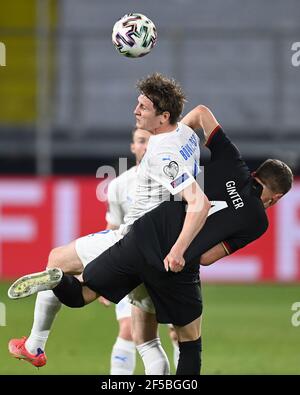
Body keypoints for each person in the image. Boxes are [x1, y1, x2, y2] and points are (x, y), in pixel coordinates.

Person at [8, 104, 293, 375]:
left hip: (144, 236)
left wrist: (182, 131)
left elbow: (202, 113)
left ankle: (47, 310)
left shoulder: (219, 161)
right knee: (178, 341)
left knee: (79, 287)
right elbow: (206, 256)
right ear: (277, 197)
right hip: (176, 265)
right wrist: (185, 249)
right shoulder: (256, 220)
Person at [8, 73, 211, 374]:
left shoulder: (162, 151)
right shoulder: (185, 135)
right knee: (145, 339)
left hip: (133, 240)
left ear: (163, 116)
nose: (136, 111)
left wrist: (180, 249)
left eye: (143, 107)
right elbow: (201, 113)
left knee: (56, 261)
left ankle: (36, 344)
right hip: (159, 256)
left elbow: (199, 202)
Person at [101, 127, 150, 374]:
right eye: (141, 141)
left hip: (168, 266)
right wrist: (105, 275)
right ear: (133, 146)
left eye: (150, 141)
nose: (145, 146)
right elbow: (113, 230)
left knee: (178, 334)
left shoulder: (176, 181)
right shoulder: (120, 185)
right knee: (129, 329)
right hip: (130, 267)